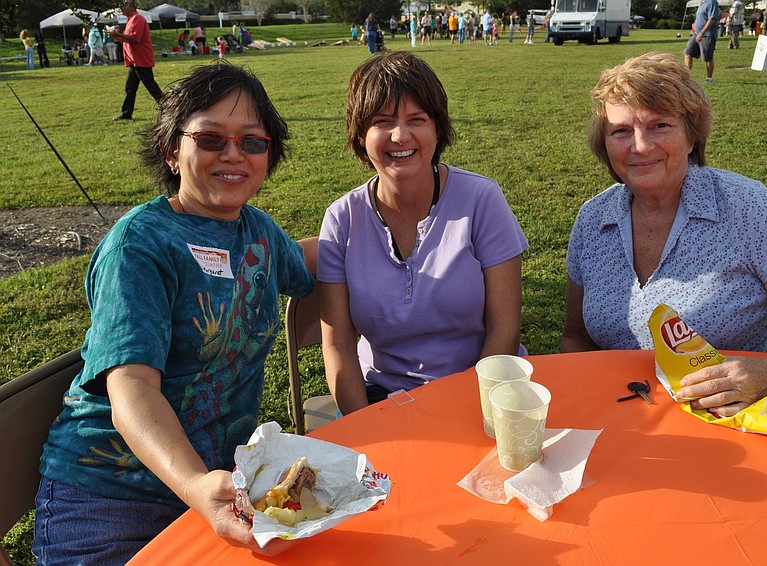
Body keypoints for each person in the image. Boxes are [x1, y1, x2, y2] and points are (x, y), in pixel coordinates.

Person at [33, 62, 316, 565]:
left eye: (252, 142)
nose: (234, 154)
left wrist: (391, 233)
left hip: (220, 486)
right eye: (210, 139)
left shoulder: (259, 232)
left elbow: (311, 260)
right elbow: (132, 389)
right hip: (112, 498)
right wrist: (194, 484)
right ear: (172, 149)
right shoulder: (139, 246)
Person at [560, 52, 767, 417]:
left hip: (740, 423)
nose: (641, 146)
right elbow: (577, 338)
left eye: (660, 126)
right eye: (620, 131)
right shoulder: (593, 220)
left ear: (691, 136)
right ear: (604, 145)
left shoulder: (745, 209)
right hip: (626, 421)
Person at [318, 52, 528, 415]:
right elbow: (337, 347)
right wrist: (363, 429)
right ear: (360, 136)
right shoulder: (342, 218)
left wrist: (466, 409)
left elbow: (504, 329)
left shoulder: (481, 200)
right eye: (383, 122)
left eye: (417, 119)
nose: (401, 136)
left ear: (437, 129)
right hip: (381, 399)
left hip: (481, 394)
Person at [110, 0, 163, 121]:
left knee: (152, 87)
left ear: (131, 6)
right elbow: (127, 39)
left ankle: (169, 108)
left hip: (141, 60)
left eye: (123, 6)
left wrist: (118, 35)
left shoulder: (137, 19)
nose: (121, 9)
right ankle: (126, 113)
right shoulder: (131, 20)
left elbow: (134, 39)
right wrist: (116, 36)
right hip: (134, 61)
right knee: (130, 88)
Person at [684, 0, 720, 83]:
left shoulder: (712, 2)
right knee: (688, 52)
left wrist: (702, 33)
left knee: (707, 57)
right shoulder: (702, 3)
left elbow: (712, 19)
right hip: (696, 34)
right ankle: (687, 77)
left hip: (707, 34)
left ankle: (709, 78)